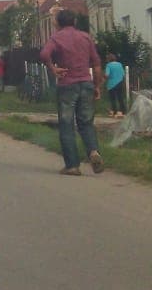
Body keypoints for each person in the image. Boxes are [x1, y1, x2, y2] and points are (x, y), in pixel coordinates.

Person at [39, 9, 105, 176]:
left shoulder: (56, 38)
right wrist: (97, 86)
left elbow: (44, 54)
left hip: (67, 85)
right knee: (86, 123)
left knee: (67, 124)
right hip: (86, 83)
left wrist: (53, 68)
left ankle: (72, 166)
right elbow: (97, 64)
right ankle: (93, 151)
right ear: (74, 21)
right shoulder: (85, 37)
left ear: (57, 23)